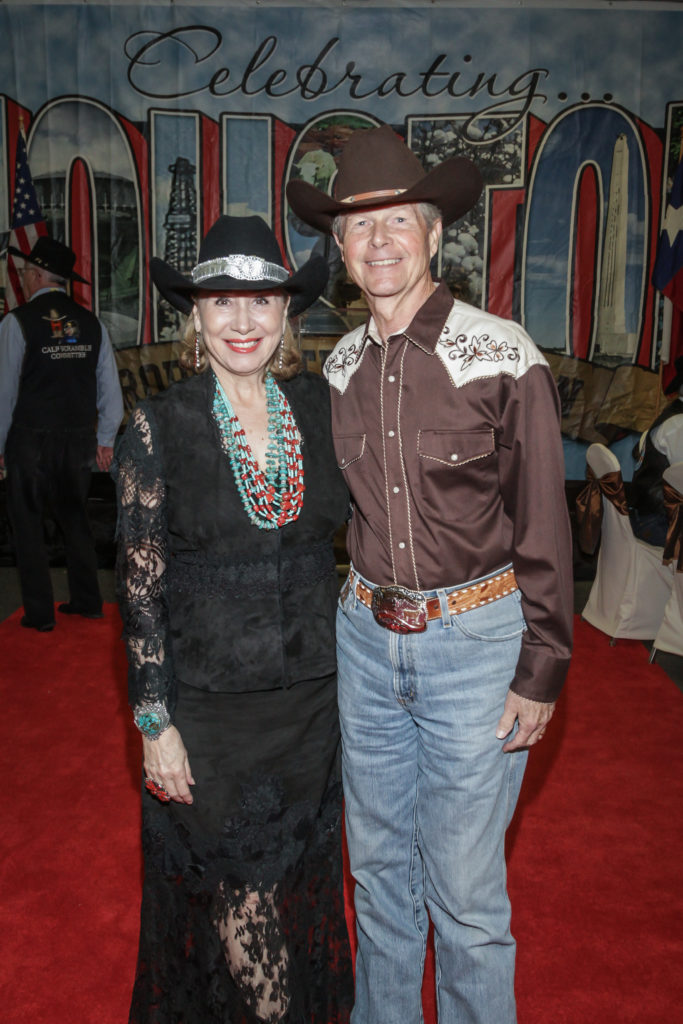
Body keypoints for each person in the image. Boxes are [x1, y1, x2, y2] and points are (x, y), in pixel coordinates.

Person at [287, 124, 574, 1024]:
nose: (377, 241)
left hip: (477, 649)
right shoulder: (334, 369)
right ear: (337, 249)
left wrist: (542, 668)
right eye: (356, 227)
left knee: (463, 892)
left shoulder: (501, 352)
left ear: (433, 233)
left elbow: (545, 524)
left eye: (395, 221)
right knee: (376, 877)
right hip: (366, 647)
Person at [114, 215, 353, 1024]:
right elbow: (140, 588)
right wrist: (154, 722)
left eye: (260, 301)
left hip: (314, 706)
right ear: (196, 317)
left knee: (289, 887)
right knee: (240, 890)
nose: (243, 322)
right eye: (222, 302)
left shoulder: (321, 409)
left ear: (287, 312)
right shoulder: (161, 424)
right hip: (210, 715)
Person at [0, 236, 123, 631]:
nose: (23, 276)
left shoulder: (15, 322)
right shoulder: (92, 324)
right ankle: (88, 601)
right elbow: (110, 390)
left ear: (36, 275)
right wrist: (105, 440)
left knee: (28, 524)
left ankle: (39, 615)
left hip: (29, 438)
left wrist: (0, 445)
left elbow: (4, 392)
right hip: (77, 439)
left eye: (25, 272)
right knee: (75, 519)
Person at [630, 354, 683, 546]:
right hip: (657, 521)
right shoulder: (679, 424)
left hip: (652, 515)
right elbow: (681, 483)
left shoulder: (673, 417)